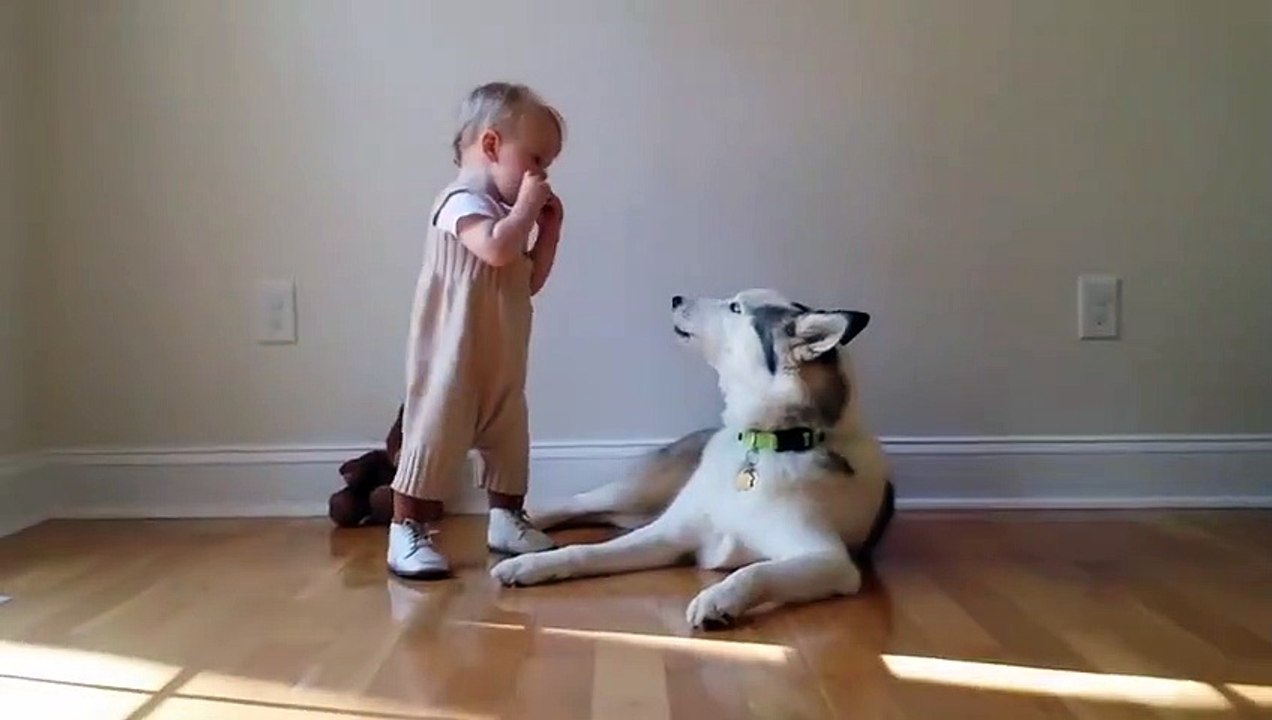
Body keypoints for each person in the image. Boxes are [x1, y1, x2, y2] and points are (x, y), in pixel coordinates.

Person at [387, 82, 565, 579]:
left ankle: (507, 518)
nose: (543, 175)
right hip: (452, 360)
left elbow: (527, 279)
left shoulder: (509, 217)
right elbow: (494, 249)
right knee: (435, 436)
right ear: (491, 146)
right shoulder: (458, 203)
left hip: (502, 361)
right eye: (535, 160)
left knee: (509, 439)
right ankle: (407, 529)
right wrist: (528, 212)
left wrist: (548, 231)